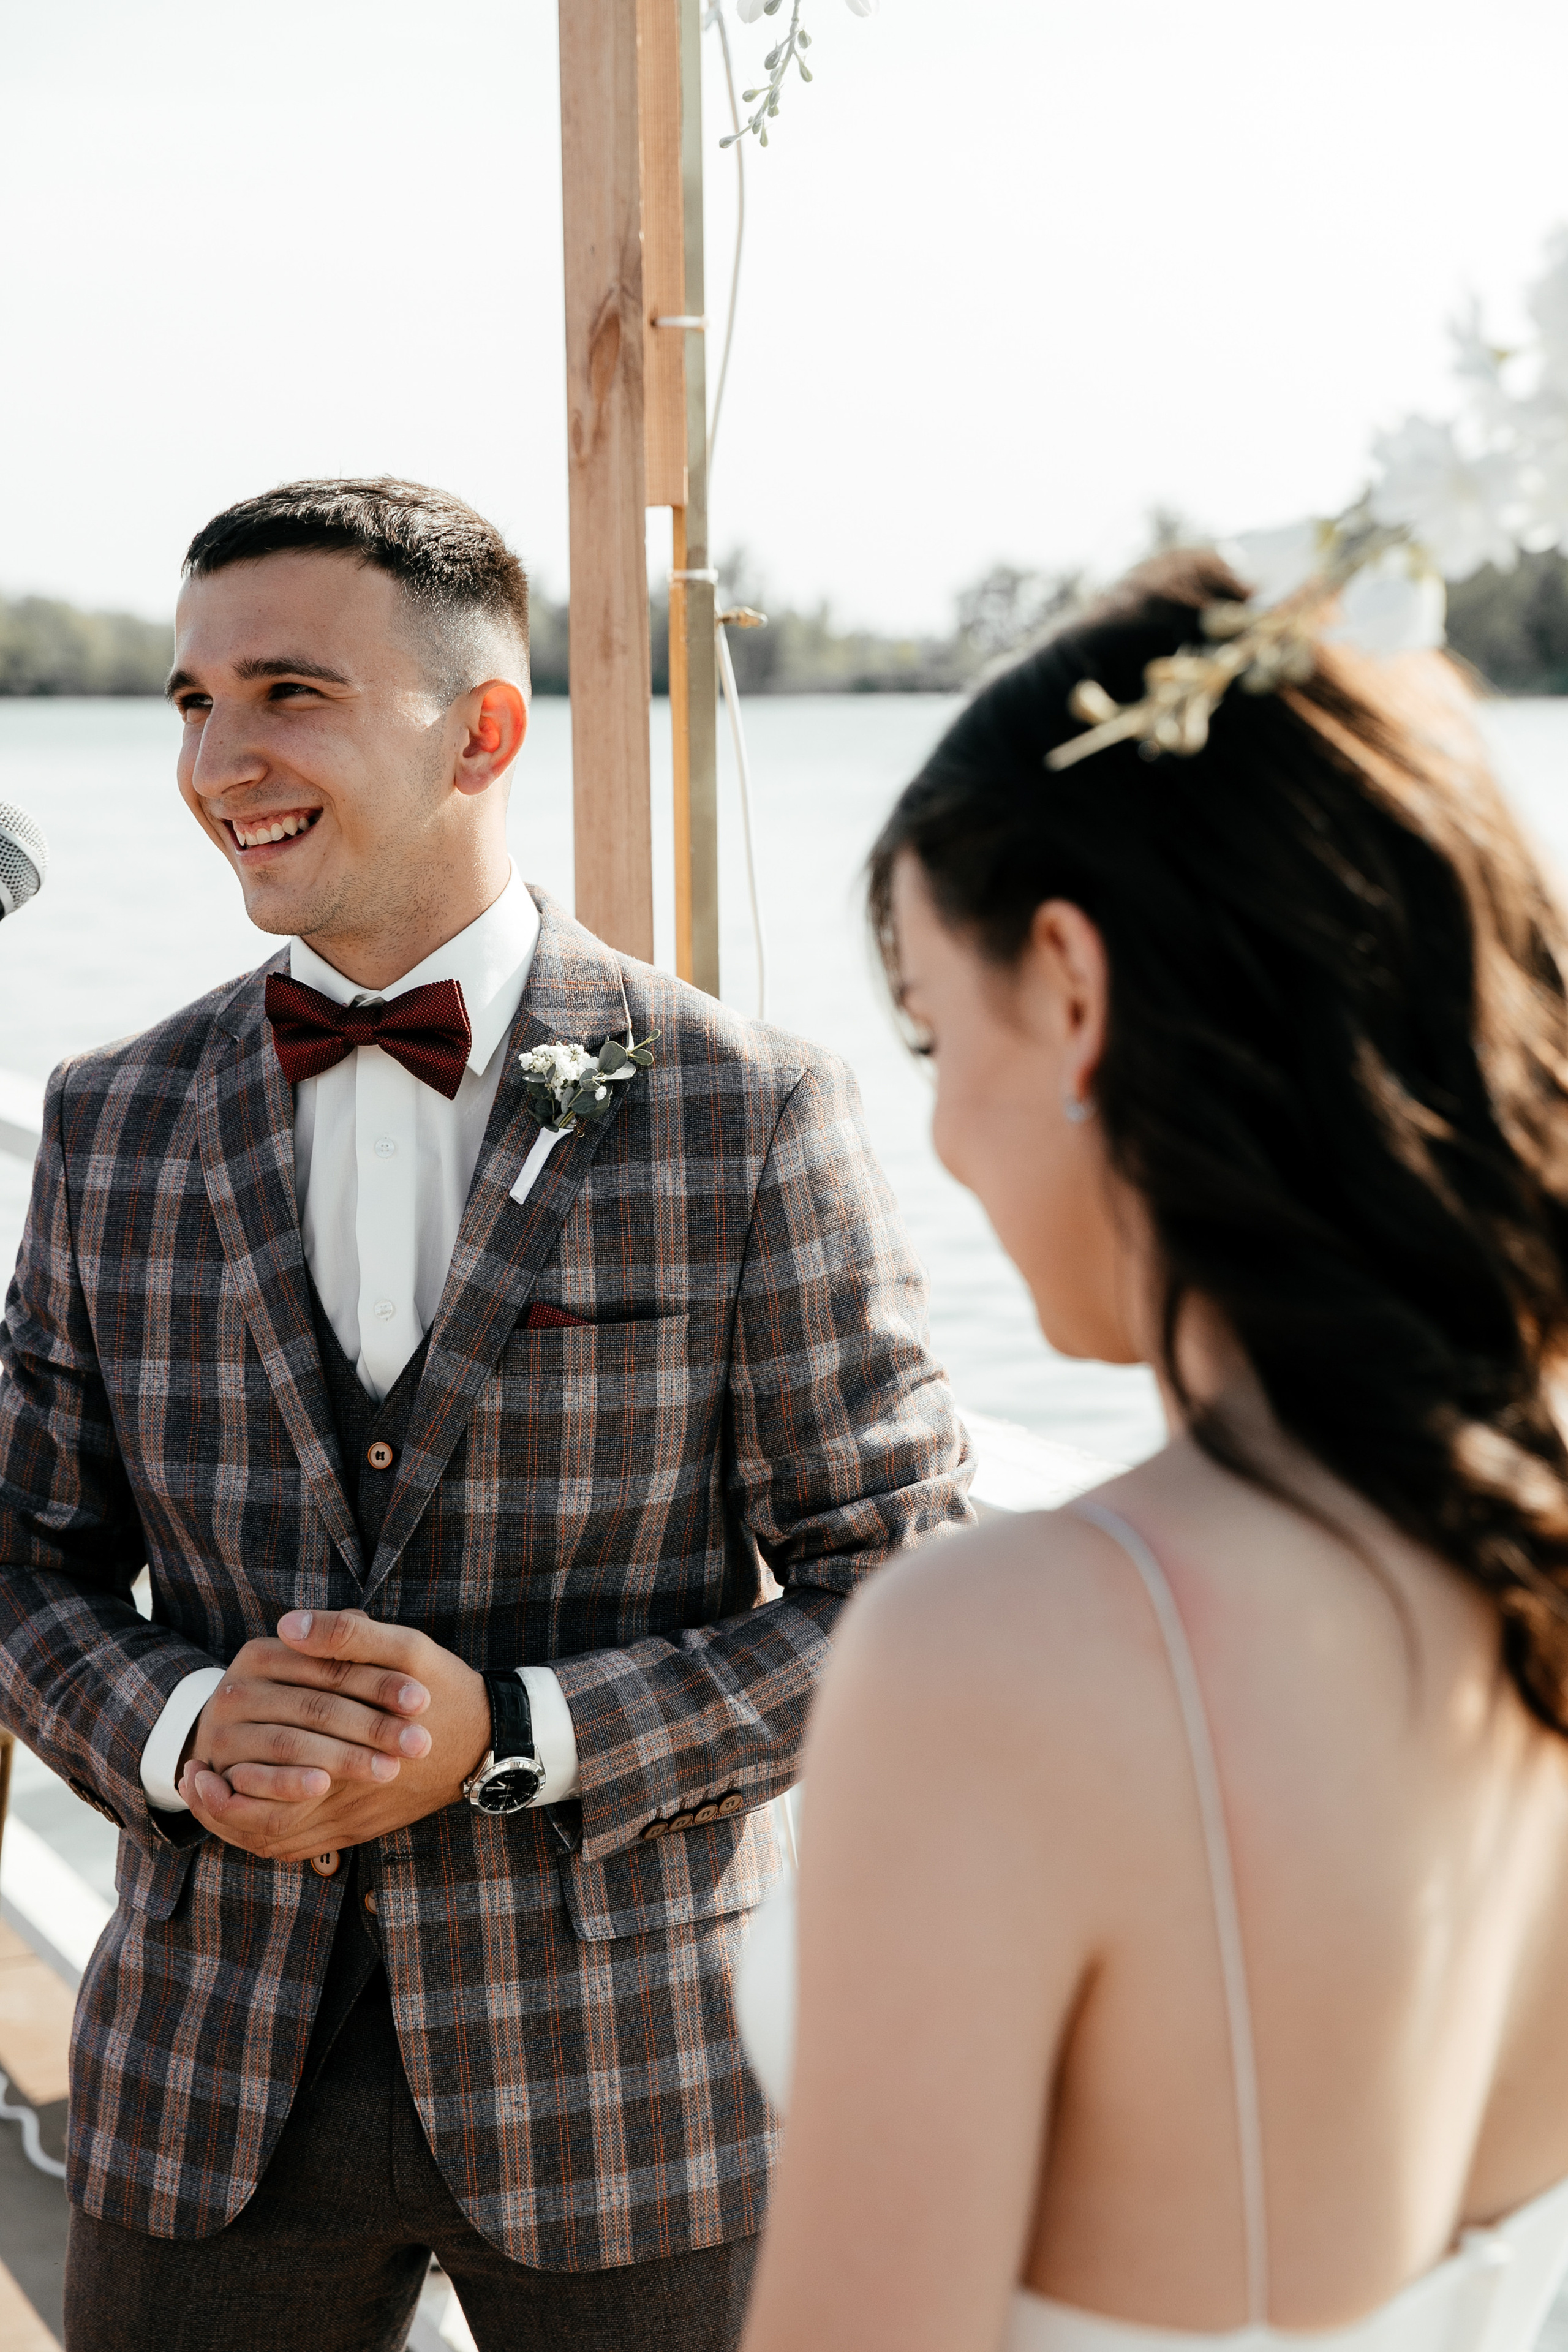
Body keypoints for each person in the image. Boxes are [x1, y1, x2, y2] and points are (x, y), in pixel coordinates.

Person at [0, 477, 972, 2352]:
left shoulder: (742, 1111)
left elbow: (906, 1593)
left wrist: (517, 1737)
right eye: (192, 702)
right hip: (205, 2094)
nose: (221, 760)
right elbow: (20, 1557)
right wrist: (187, 1723)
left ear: (485, 731)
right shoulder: (113, 1115)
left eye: (288, 692)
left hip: (642, 2101)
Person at [736, 550, 1568, 2352]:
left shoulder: (1007, 1656)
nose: (940, 1128)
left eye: (936, 1037)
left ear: (1073, 986)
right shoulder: (1528, 1545)